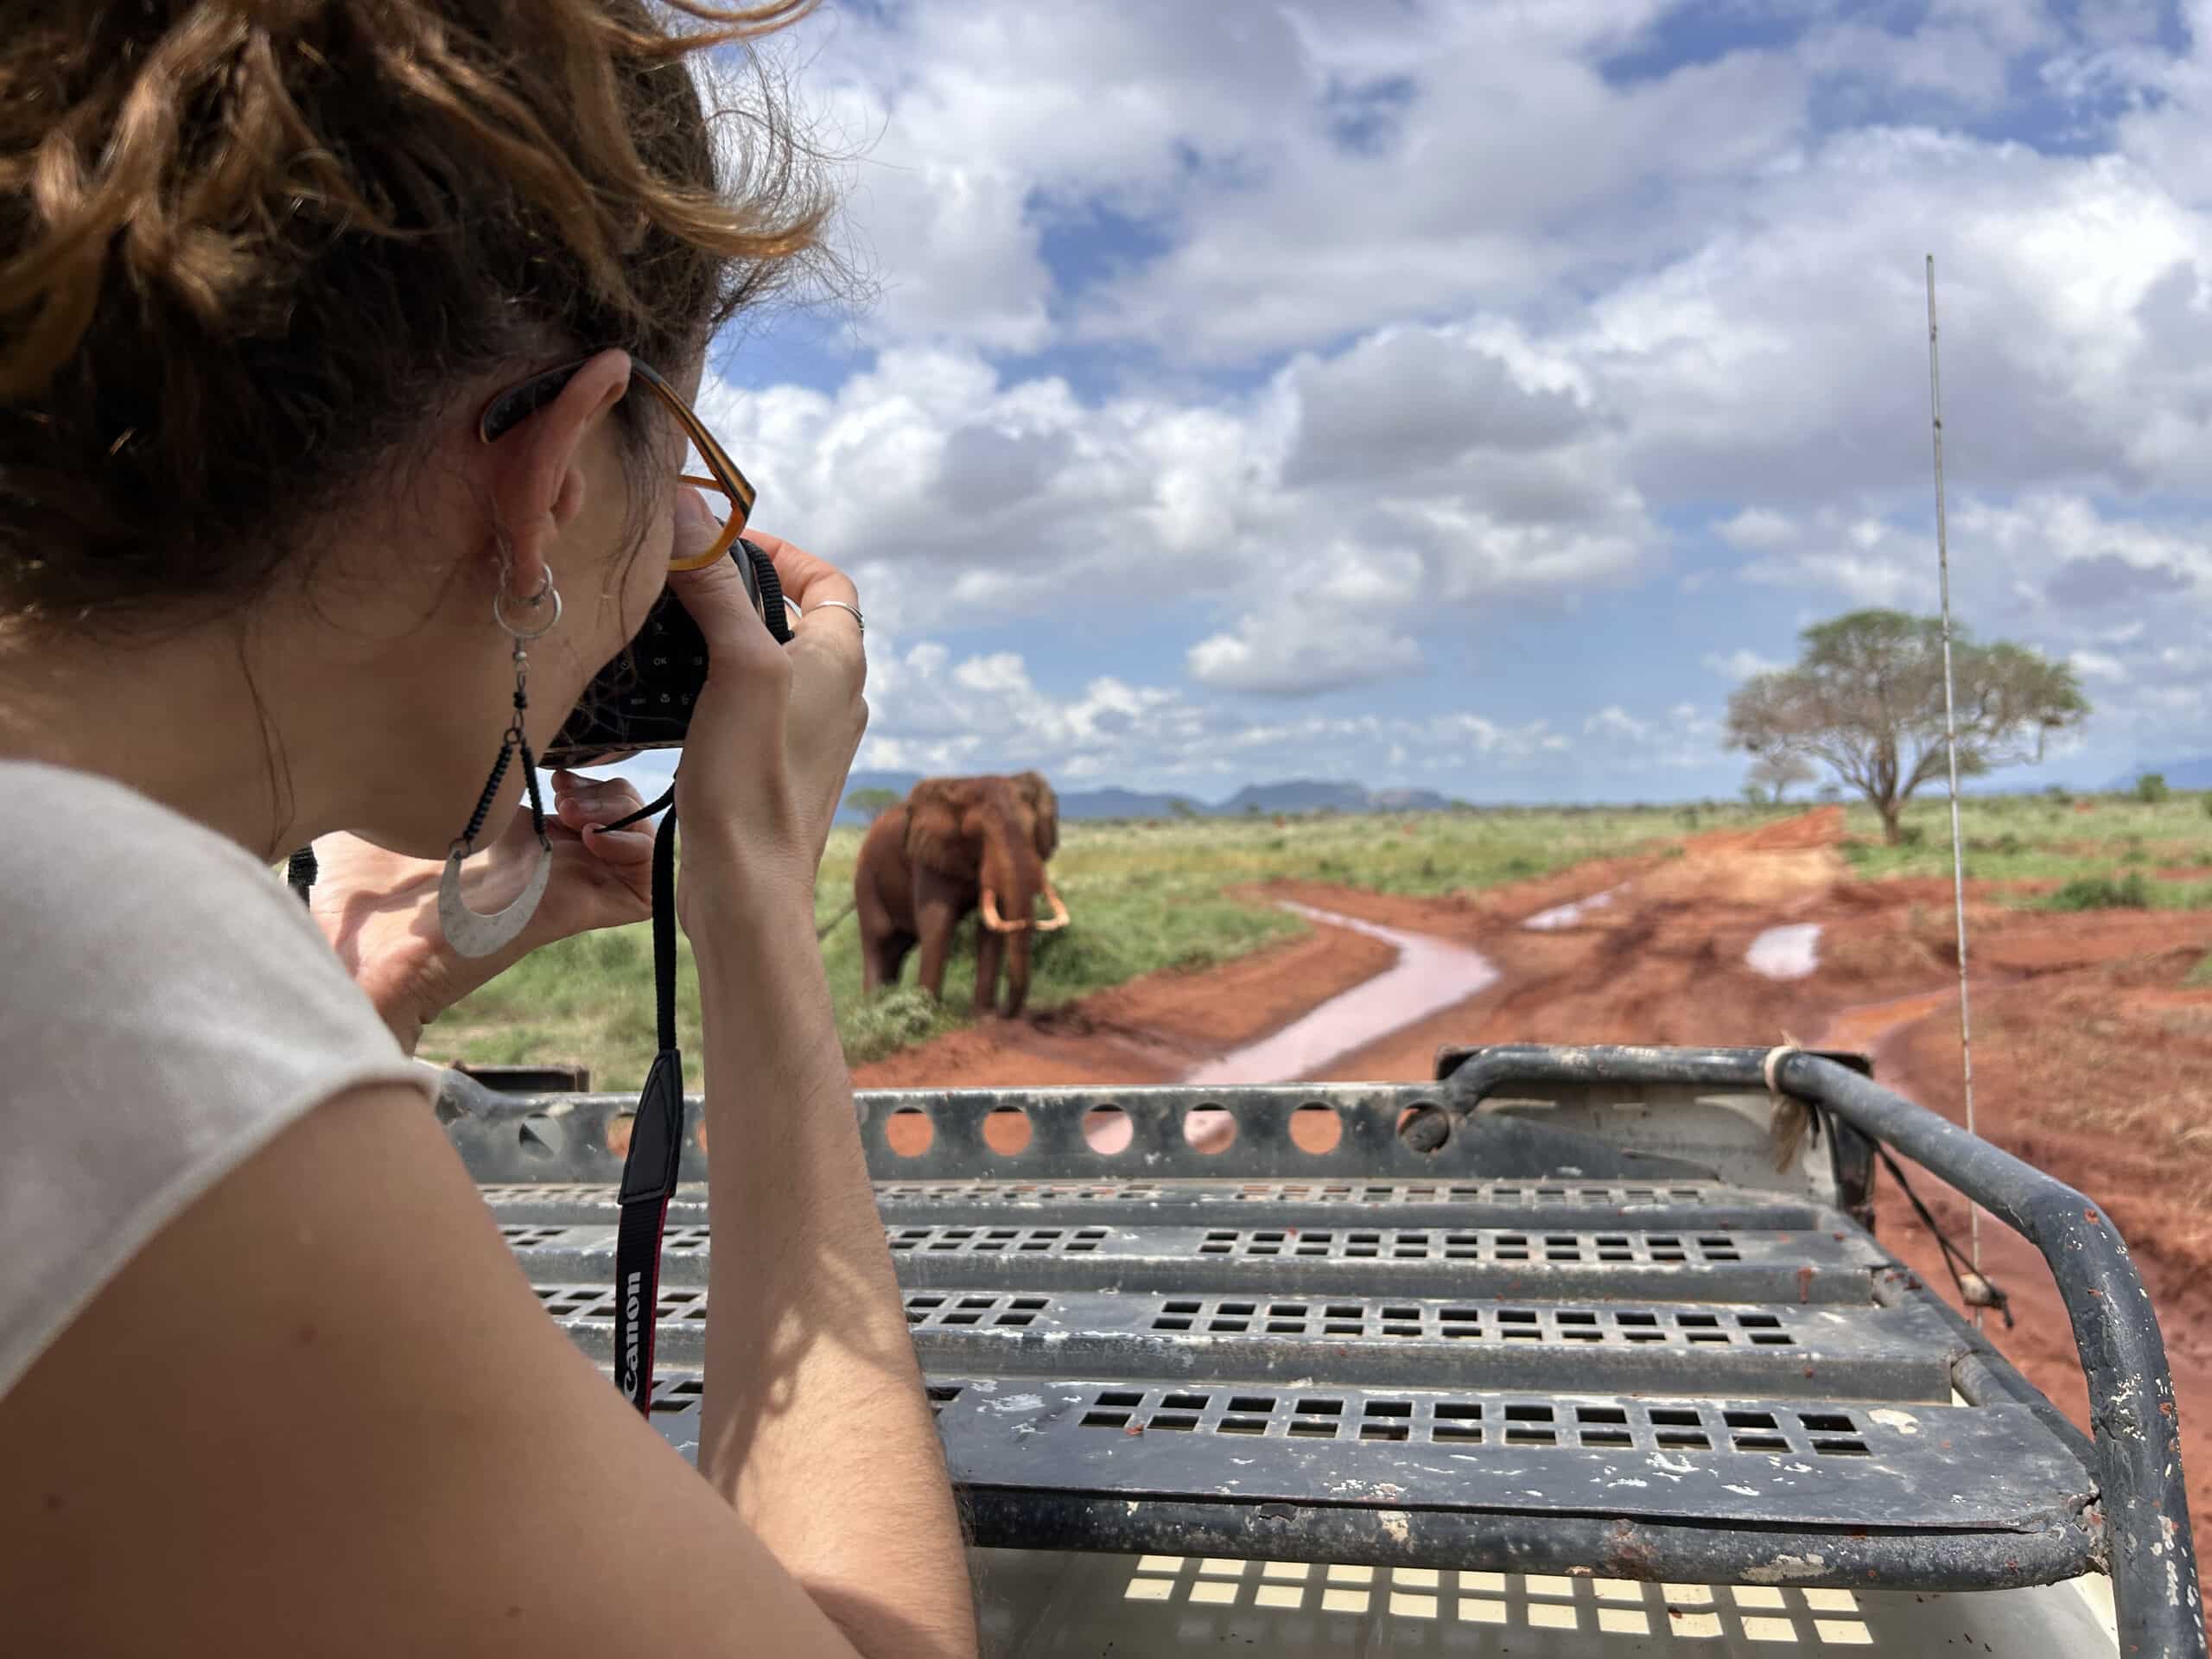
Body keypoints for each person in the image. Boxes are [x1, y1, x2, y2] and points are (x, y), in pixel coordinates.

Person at [0, 3, 975, 1655]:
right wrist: (744, 885)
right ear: (555, 473)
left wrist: (343, 1001)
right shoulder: (90, 964)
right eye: (688, 475)